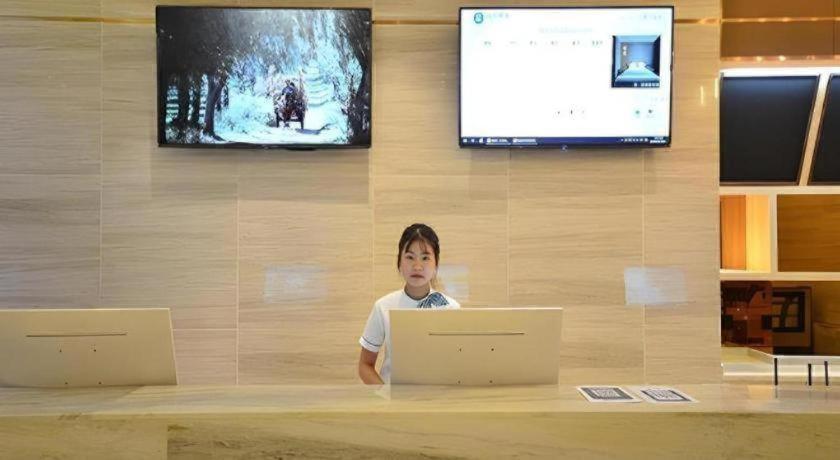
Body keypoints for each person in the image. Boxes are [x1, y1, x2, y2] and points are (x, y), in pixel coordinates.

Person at [358, 223, 460, 385]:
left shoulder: (451, 308)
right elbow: (365, 365)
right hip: (392, 397)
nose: (417, 266)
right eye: (410, 257)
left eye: (425, 258)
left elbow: (457, 364)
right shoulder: (383, 307)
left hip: (436, 396)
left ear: (436, 265)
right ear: (399, 263)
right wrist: (385, 394)